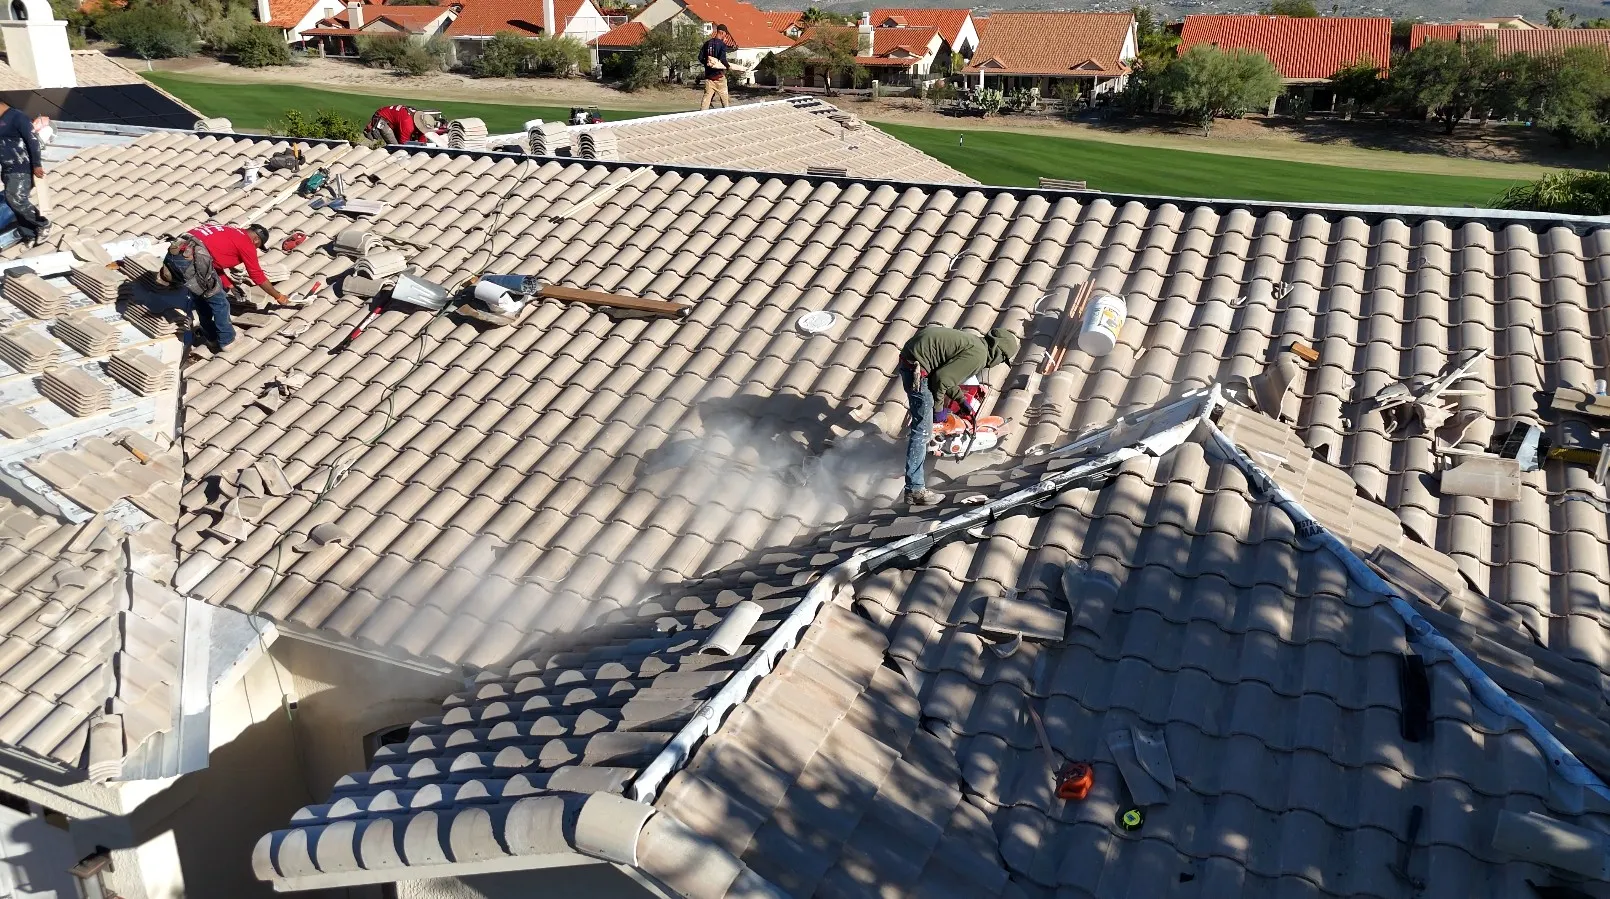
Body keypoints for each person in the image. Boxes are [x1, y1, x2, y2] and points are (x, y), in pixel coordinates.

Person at [899, 326, 1018, 506]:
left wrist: (962, 402)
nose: (998, 363)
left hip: (913, 361)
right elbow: (941, 380)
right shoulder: (978, 356)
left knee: (924, 423)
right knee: (923, 430)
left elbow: (947, 378)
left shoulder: (975, 345)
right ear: (998, 352)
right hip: (918, 368)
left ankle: (914, 482)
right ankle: (915, 490)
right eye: (1002, 359)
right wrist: (939, 411)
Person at [164, 223, 289, 352]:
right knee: (221, 302)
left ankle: (211, 339)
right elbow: (257, 275)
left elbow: (213, 261)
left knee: (201, 298)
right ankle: (227, 341)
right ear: (256, 239)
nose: (256, 249)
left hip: (175, 255)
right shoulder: (246, 243)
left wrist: (229, 285)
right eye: (257, 246)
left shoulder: (228, 231)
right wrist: (278, 296)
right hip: (192, 261)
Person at [0, 100, 47, 247]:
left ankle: (43, 224)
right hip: (7, 168)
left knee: (16, 199)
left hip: (21, 167)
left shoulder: (17, 117)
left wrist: (36, 164)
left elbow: (32, 140)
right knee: (11, 202)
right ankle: (30, 233)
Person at [700, 24, 735, 110]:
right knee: (725, 103)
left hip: (709, 78)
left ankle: (700, 119)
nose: (725, 37)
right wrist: (728, 66)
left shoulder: (707, 44)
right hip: (719, 78)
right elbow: (722, 59)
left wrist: (707, 63)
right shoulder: (722, 45)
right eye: (725, 35)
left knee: (705, 103)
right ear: (722, 33)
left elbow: (700, 58)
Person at [365, 105, 438, 145]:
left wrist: (423, 146)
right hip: (382, 118)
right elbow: (403, 143)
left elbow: (422, 137)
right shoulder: (408, 125)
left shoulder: (418, 118)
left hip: (392, 117)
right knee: (396, 146)